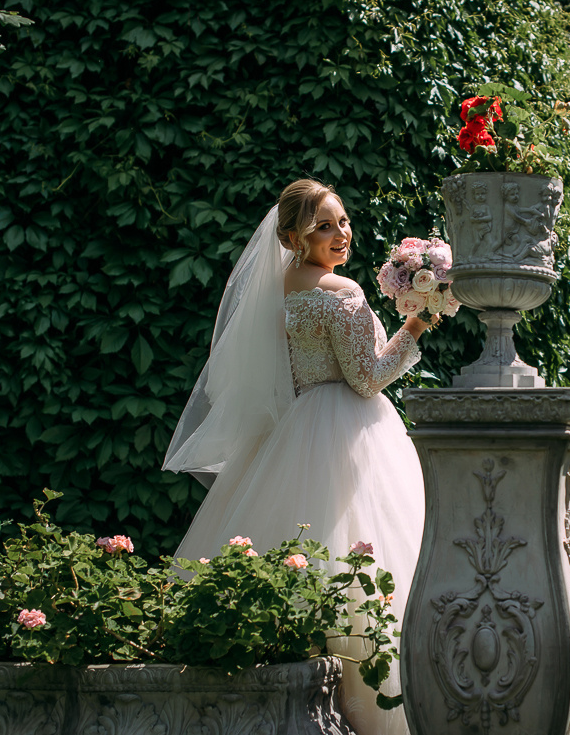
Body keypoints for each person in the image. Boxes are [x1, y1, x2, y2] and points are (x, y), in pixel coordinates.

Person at [162, 179, 429, 735]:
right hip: (349, 431)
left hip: (295, 425)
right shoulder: (342, 291)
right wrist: (415, 325)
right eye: (323, 227)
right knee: (364, 555)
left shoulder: (276, 288)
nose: (341, 234)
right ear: (293, 236)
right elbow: (367, 378)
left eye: (344, 221)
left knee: (291, 545)